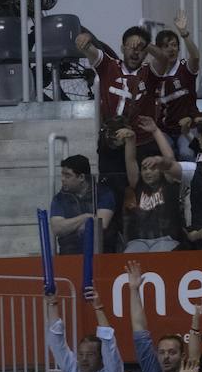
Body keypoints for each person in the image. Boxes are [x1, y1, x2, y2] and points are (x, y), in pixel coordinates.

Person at [75, 27, 160, 222]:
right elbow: (89, 49)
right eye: (130, 46)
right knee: (110, 196)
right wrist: (84, 39)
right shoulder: (108, 65)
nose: (135, 51)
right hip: (111, 144)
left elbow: (163, 59)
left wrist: (149, 46)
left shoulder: (151, 72)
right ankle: (110, 243)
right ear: (122, 48)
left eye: (140, 47)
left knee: (141, 197)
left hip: (141, 144)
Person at [118, 121, 185, 252]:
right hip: (138, 240)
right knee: (129, 257)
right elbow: (130, 160)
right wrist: (131, 139)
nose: (148, 172)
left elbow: (169, 159)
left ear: (161, 170)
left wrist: (155, 131)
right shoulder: (137, 183)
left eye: (153, 168)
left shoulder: (168, 182)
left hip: (166, 238)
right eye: (144, 169)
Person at [147, 15, 202, 161]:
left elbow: (195, 57)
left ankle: (190, 184)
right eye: (165, 46)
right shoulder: (153, 74)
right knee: (163, 154)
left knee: (186, 153)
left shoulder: (185, 69)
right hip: (164, 130)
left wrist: (184, 33)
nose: (171, 49)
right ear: (159, 50)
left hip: (187, 128)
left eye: (173, 45)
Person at [50, 154, 118, 256]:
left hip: (101, 252)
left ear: (81, 177)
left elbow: (101, 224)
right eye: (62, 175)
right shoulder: (59, 198)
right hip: (69, 253)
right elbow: (57, 228)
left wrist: (69, 225)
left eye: (67, 175)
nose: (63, 179)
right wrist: (85, 217)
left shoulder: (103, 193)